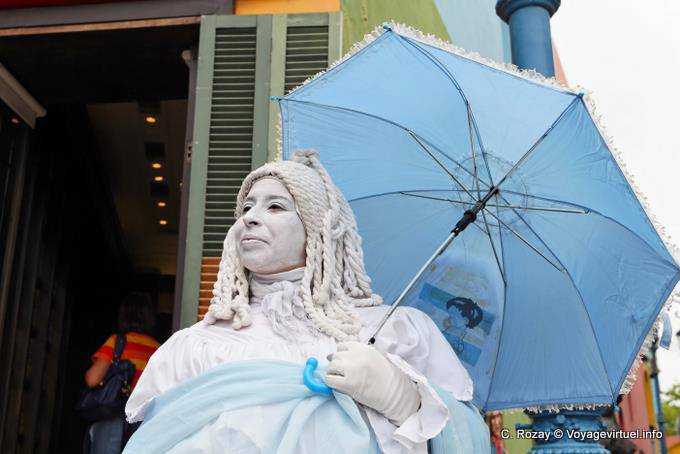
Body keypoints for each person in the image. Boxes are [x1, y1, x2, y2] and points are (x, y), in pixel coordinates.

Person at [124, 150, 488, 453]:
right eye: (247, 207)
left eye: (276, 207)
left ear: (317, 230)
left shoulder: (393, 330)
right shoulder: (195, 346)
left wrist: (404, 399)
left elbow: (470, 439)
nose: (250, 217)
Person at [84, 293, 160, 454]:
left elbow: (92, 379)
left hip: (113, 415)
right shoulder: (158, 350)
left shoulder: (118, 342)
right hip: (144, 421)